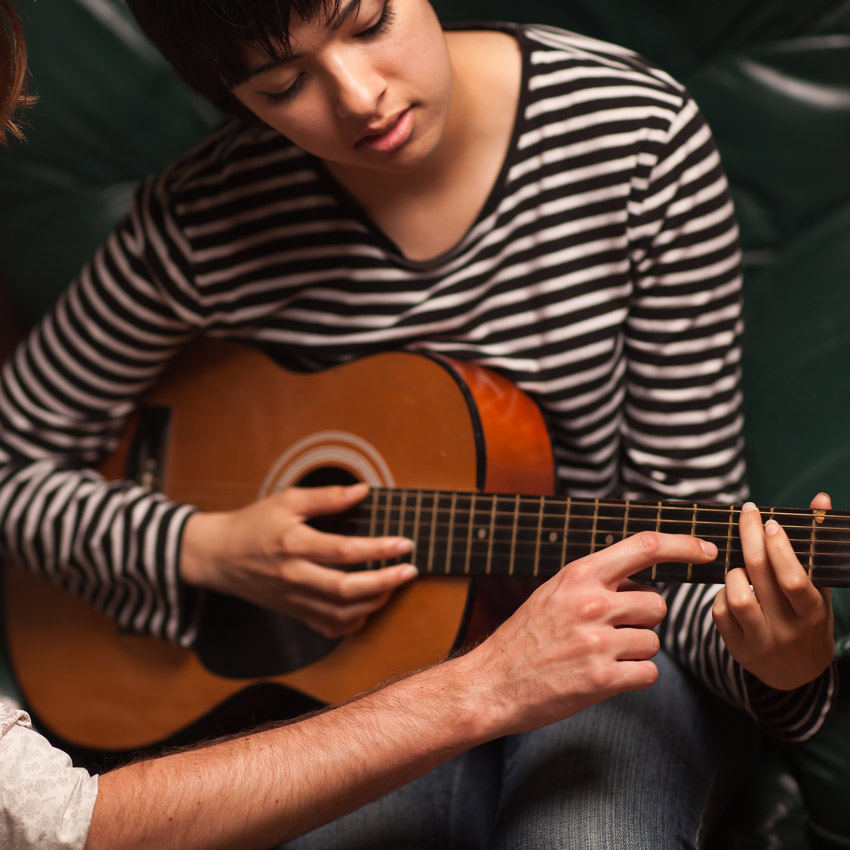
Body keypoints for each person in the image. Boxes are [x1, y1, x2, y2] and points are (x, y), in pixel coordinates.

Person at [0, 0, 836, 848]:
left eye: (369, 25)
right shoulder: (200, 221)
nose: (360, 97)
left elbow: (683, 534)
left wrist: (781, 665)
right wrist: (206, 548)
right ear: (231, 96)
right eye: (284, 85)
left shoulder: (633, 136)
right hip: (359, 700)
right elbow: (12, 465)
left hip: (615, 654)